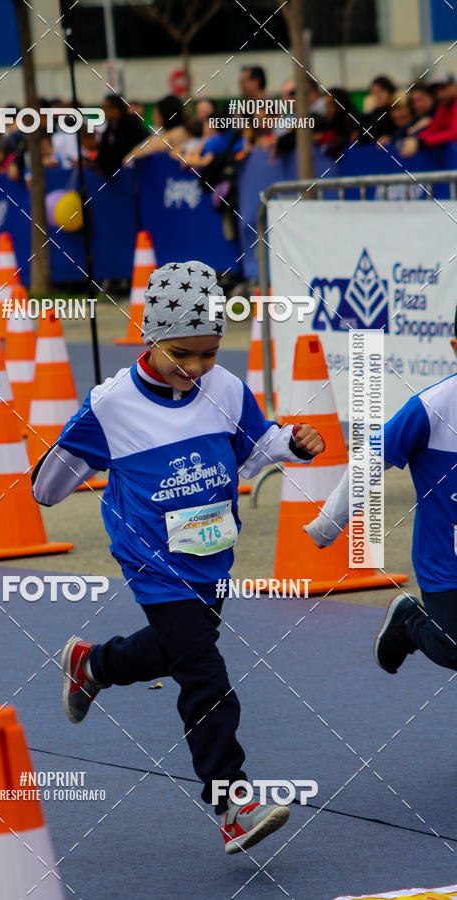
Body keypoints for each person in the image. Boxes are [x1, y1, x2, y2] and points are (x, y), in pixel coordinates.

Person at [32, 261, 324, 853]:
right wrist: (68, 456)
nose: (194, 368)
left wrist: (292, 444)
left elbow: (254, 447)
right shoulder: (111, 405)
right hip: (152, 561)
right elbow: (46, 489)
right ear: (150, 336)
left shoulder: (227, 388)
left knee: (177, 648)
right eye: (180, 354)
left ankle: (93, 665)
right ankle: (232, 803)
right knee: (204, 675)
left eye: (208, 354)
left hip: (212, 552)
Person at [304, 315, 457, 675]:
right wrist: (328, 524)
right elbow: (370, 461)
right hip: (445, 562)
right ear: (455, 348)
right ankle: (408, 623)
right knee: (453, 650)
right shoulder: (431, 408)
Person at [400, 71, 457, 157]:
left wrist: (421, 142)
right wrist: (414, 139)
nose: (440, 95)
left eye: (444, 88)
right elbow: (433, 129)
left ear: (454, 86)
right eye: (437, 91)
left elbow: (454, 133)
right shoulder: (443, 105)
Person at [122, 94, 190, 165]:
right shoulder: (161, 132)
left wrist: (139, 153)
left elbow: (160, 146)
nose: (153, 116)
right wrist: (132, 155)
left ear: (166, 114)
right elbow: (142, 146)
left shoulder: (179, 131)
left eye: (156, 113)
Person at [96, 94, 148, 176]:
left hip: (134, 172)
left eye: (105, 108)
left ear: (116, 109)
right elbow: (104, 149)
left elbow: (122, 152)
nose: (103, 111)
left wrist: (103, 163)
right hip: (116, 174)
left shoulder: (130, 124)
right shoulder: (110, 127)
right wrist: (96, 163)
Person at [359, 75, 396, 143]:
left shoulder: (396, 110)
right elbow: (362, 138)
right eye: (374, 92)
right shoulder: (372, 114)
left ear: (389, 91)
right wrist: (367, 112)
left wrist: (391, 137)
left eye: (381, 90)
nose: (378, 95)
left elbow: (402, 130)